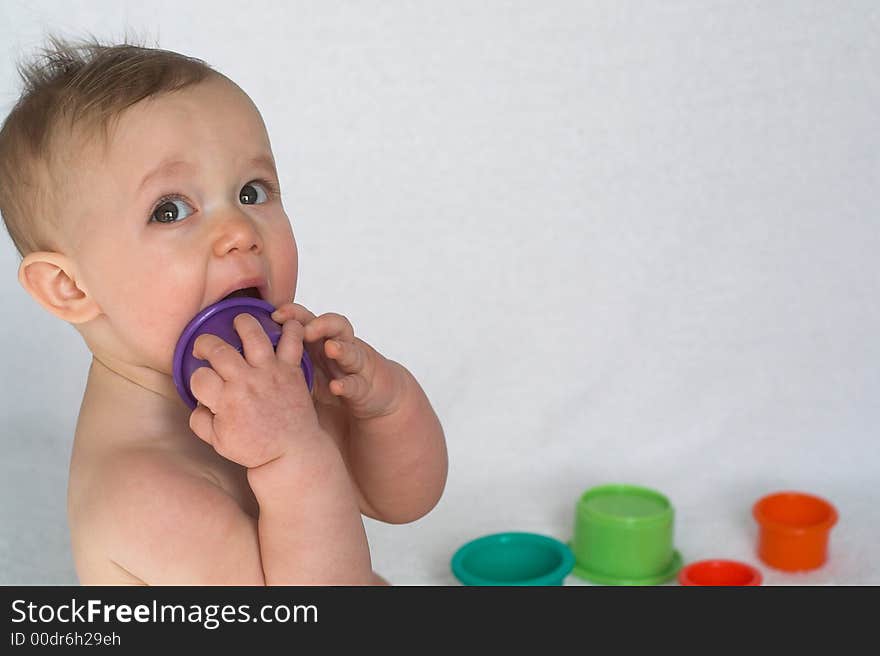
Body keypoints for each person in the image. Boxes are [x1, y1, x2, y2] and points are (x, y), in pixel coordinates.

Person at [0, 35, 447, 585]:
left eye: (253, 192)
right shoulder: (143, 493)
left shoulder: (266, 389)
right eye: (170, 210)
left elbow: (402, 500)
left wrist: (384, 408)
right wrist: (292, 457)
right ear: (70, 287)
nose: (239, 231)